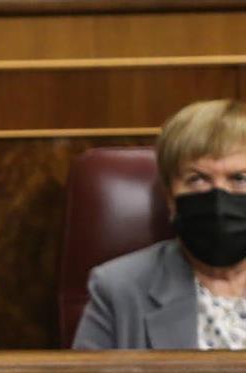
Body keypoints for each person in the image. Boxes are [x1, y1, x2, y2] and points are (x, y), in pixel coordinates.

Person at [73, 99, 246, 349]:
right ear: (170, 198)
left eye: (240, 178)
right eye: (197, 179)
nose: (219, 198)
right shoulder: (118, 288)